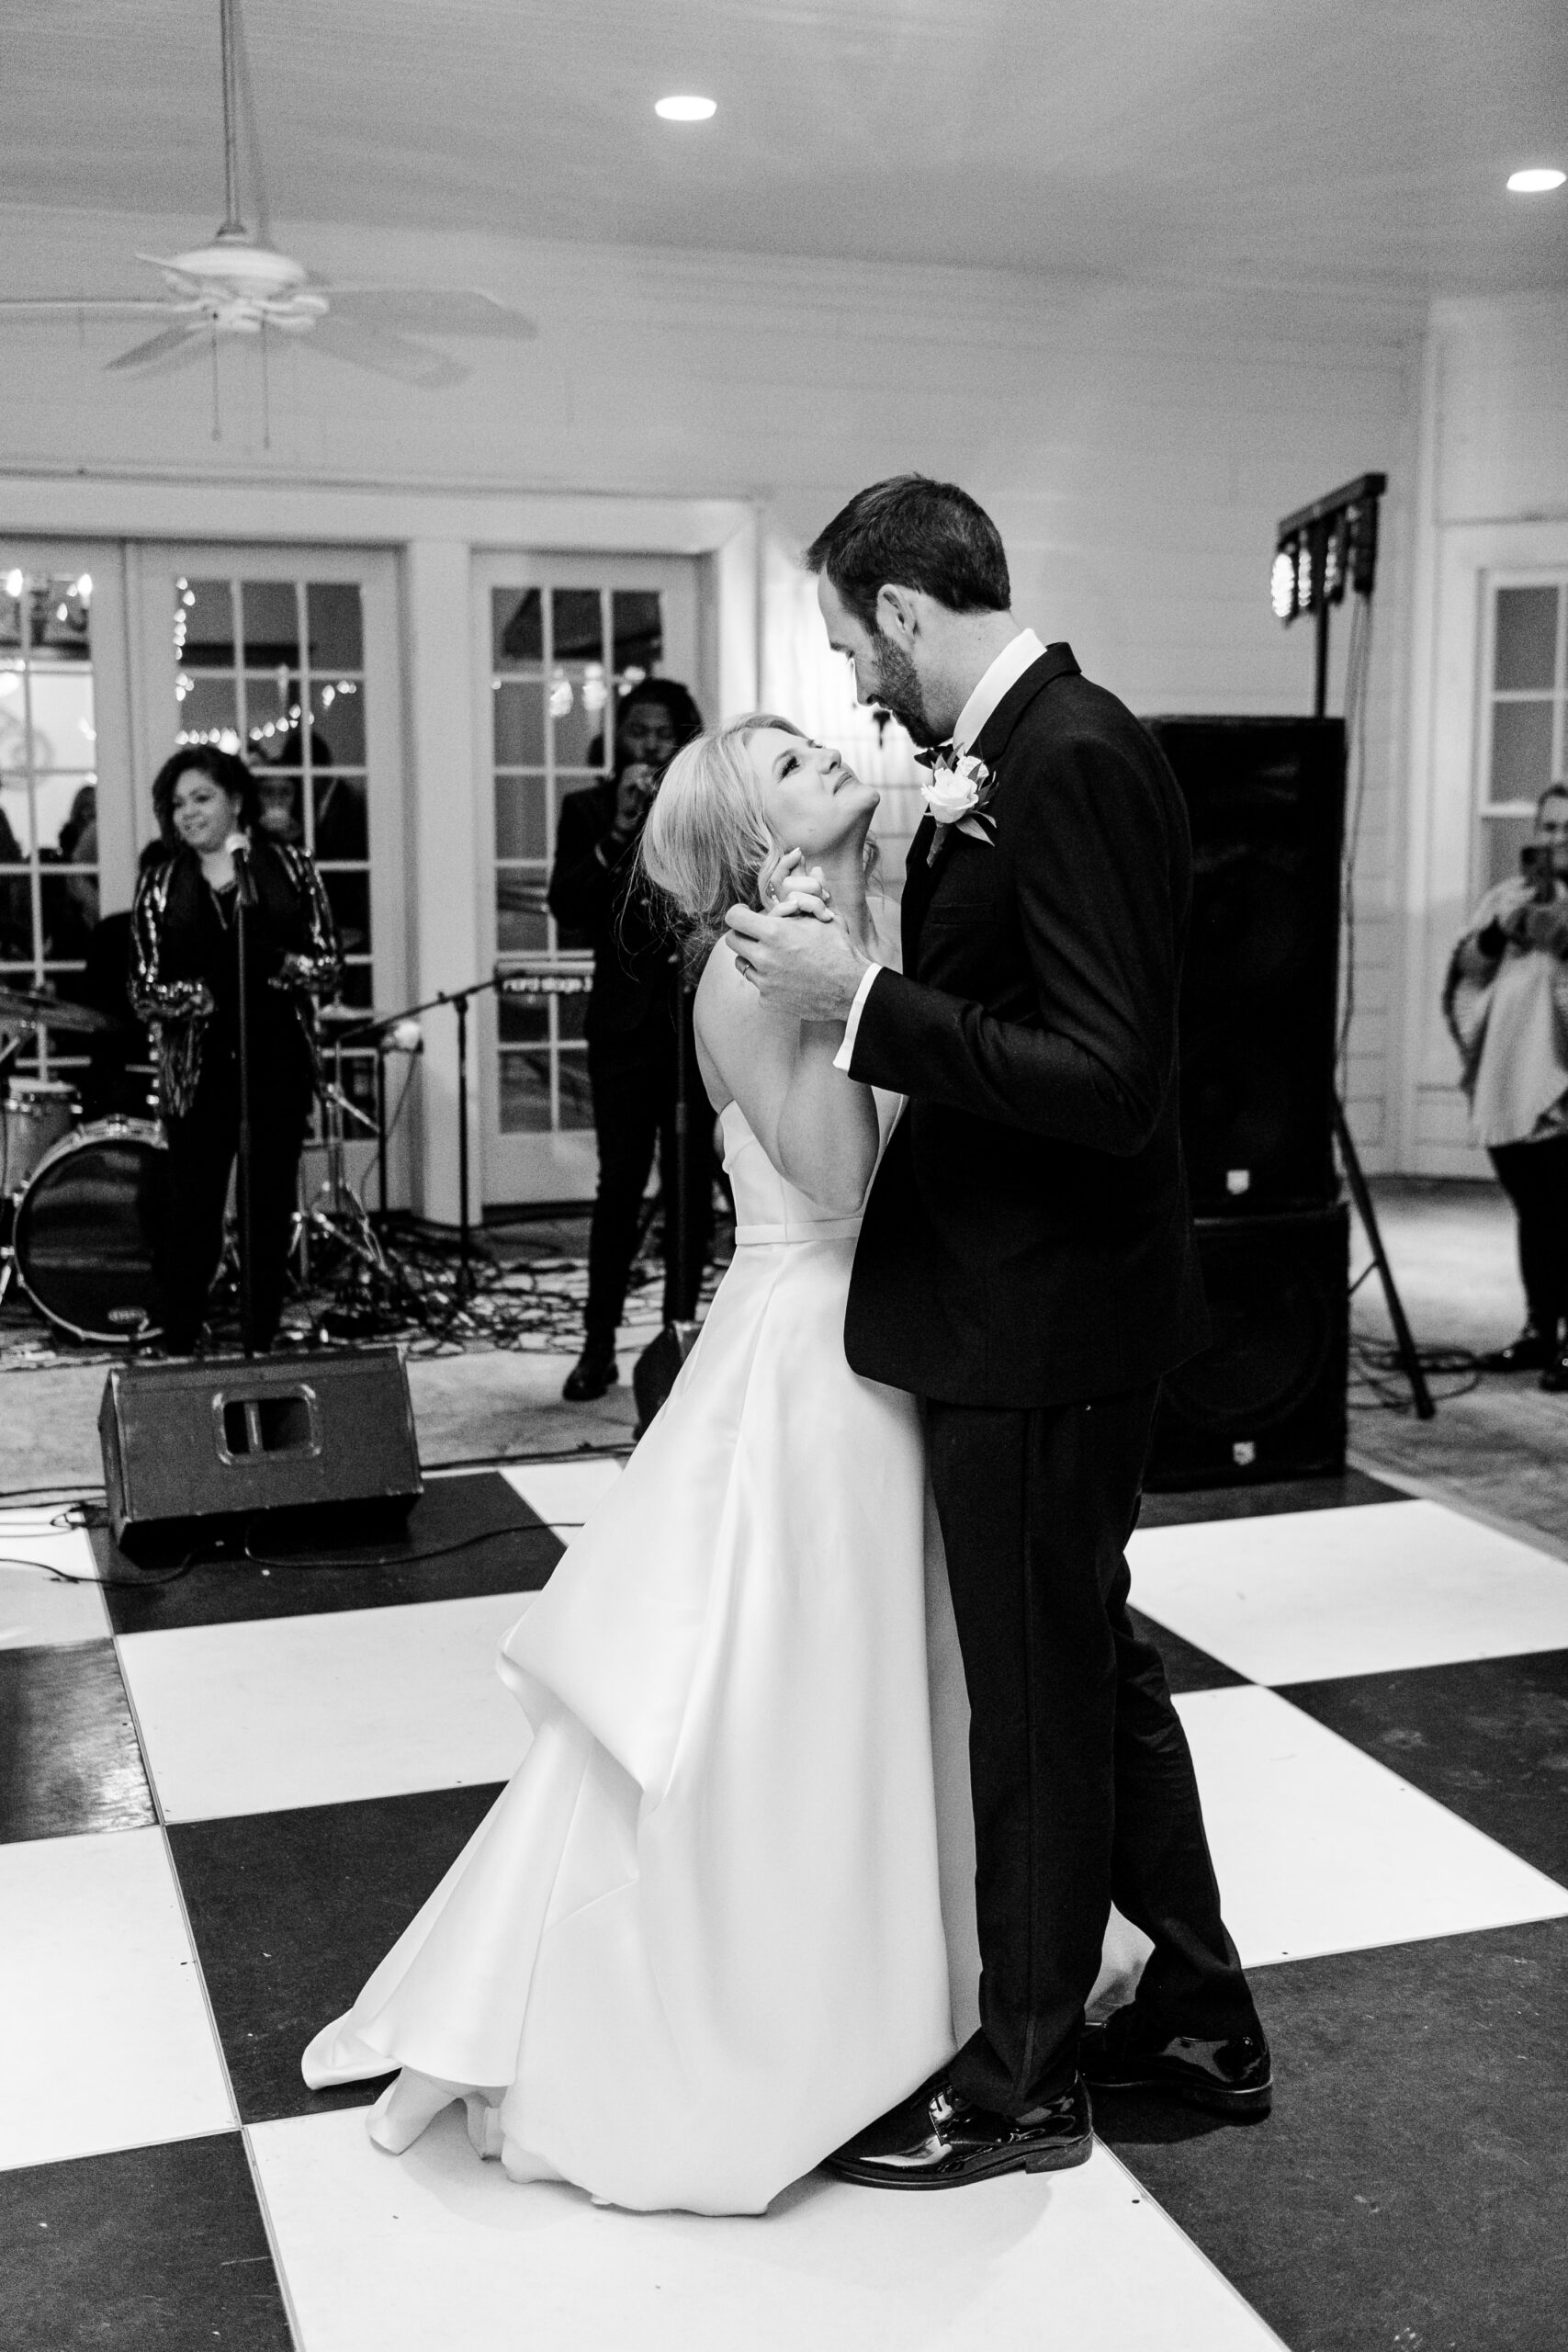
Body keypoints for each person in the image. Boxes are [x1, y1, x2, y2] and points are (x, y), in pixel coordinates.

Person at [303, 715, 984, 2214]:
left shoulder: (829, 932)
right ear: (761, 839)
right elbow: (841, 1180)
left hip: (872, 1340)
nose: (841, 767)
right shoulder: (752, 972)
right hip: (815, 1354)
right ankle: (776, 2015)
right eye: (806, 768)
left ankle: (906, 1975)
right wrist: (848, 994)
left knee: (863, 1675)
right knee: (785, 1688)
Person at [725, 474, 1269, 2187]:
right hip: (1026, 1301)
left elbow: (1111, 1086)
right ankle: (1196, 2013)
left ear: (898, 610)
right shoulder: (1023, 755)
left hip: (1042, 1317)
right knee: (1084, 1671)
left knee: (1034, 1702)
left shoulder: (1071, 756)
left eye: (843, 639)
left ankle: (1024, 2075)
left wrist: (864, 1007)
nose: (853, 685)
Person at [131, 747, 341, 1354]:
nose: (188, 814)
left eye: (201, 799)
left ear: (237, 801)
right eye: (177, 805)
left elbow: (329, 967)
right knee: (191, 1212)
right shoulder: (162, 883)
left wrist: (276, 962)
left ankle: (260, 1338)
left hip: (274, 1063)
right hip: (198, 1075)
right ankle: (179, 1338)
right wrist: (206, 993)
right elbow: (143, 989)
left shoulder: (289, 868)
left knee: (266, 1213)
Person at [547, 678, 716, 1401]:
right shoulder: (584, 809)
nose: (647, 744)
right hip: (620, 1030)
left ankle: (679, 1334)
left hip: (691, 1029)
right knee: (618, 1186)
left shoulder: (701, 815)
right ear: (618, 736)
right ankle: (597, 1344)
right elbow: (569, 908)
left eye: (661, 732)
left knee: (689, 1189)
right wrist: (618, 831)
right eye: (636, 730)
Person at [1446, 782, 1568, 1389]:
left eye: (1566, 829)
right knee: (1535, 1213)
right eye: (1547, 827)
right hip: (1506, 1078)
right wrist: (1502, 928)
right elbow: (1468, 967)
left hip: (1559, 1086)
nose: (1555, 840)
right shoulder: (1506, 894)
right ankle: (1537, 1330)